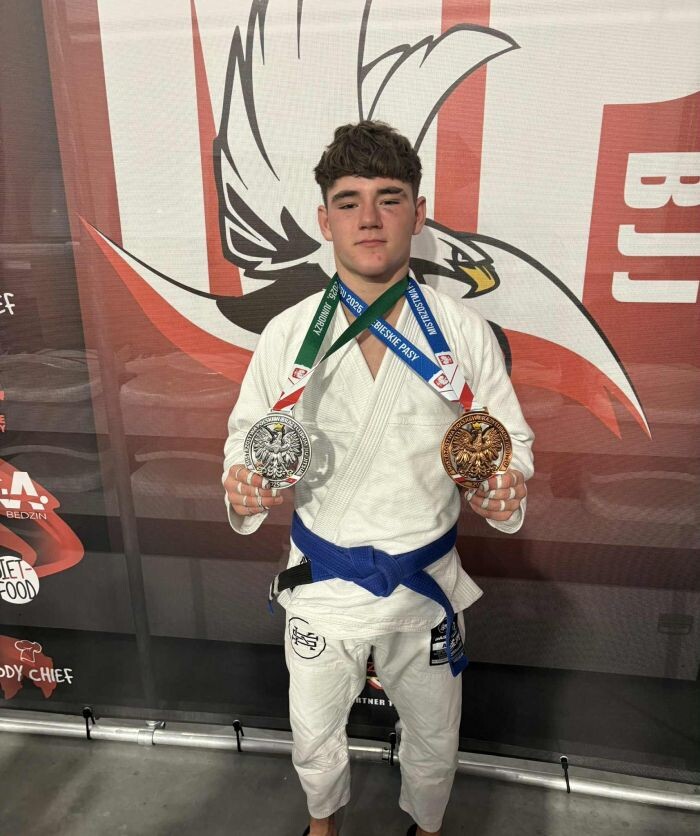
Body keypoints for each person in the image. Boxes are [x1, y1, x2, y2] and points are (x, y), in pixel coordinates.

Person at [222, 121, 534, 836]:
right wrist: (241, 485)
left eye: (389, 199)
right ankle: (322, 825)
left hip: (423, 585)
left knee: (435, 740)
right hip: (321, 584)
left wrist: (505, 485)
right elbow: (247, 437)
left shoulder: (462, 332)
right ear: (324, 219)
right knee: (312, 734)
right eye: (349, 201)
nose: (369, 218)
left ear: (418, 214)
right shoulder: (287, 333)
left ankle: (428, 827)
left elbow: (508, 441)